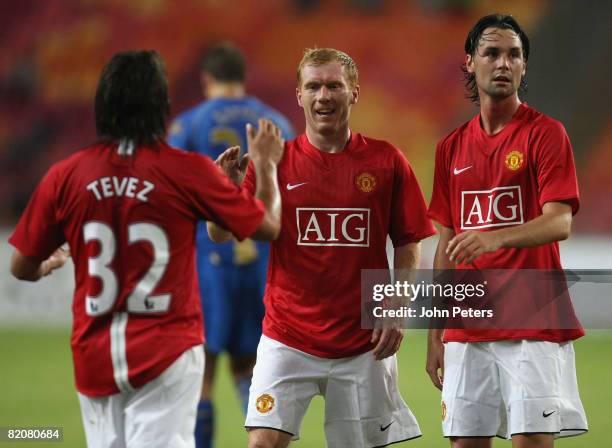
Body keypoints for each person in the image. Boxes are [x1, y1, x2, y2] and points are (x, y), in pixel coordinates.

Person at [9, 50, 284, 448]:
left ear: (102, 104)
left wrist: (46, 265)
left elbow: (20, 265)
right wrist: (266, 166)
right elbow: (268, 226)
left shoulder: (65, 175)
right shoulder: (187, 169)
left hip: (94, 356)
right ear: (161, 105)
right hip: (166, 351)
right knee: (245, 368)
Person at [209, 47, 436, 448]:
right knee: (261, 442)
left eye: (334, 85)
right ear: (299, 95)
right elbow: (222, 234)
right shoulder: (275, 162)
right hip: (287, 335)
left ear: (354, 93)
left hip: (363, 343)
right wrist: (222, 193)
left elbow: (408, 240)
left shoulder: (386, 161)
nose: (323, 95)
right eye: (313, 86)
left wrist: (397, 306)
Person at [426, 14, 588, 448]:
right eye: (491, 53)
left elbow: (560, 221)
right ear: (470, 63)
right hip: (468, 324)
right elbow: (446, 242)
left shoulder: (547, 134)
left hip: (532, 323)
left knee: (532, 442)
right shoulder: (450, 147)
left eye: (513, 55)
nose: (503, 63)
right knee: (464, 443)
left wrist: (495, 236)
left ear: (524, 67)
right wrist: (436, 329)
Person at [168, 42, 294, 448]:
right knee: (251, 368)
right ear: (243, 78)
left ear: (206, 78)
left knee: (202, 369)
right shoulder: (274, 122)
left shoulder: (188, 125)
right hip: (261, 263)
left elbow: (171, 194)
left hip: (208, 262)